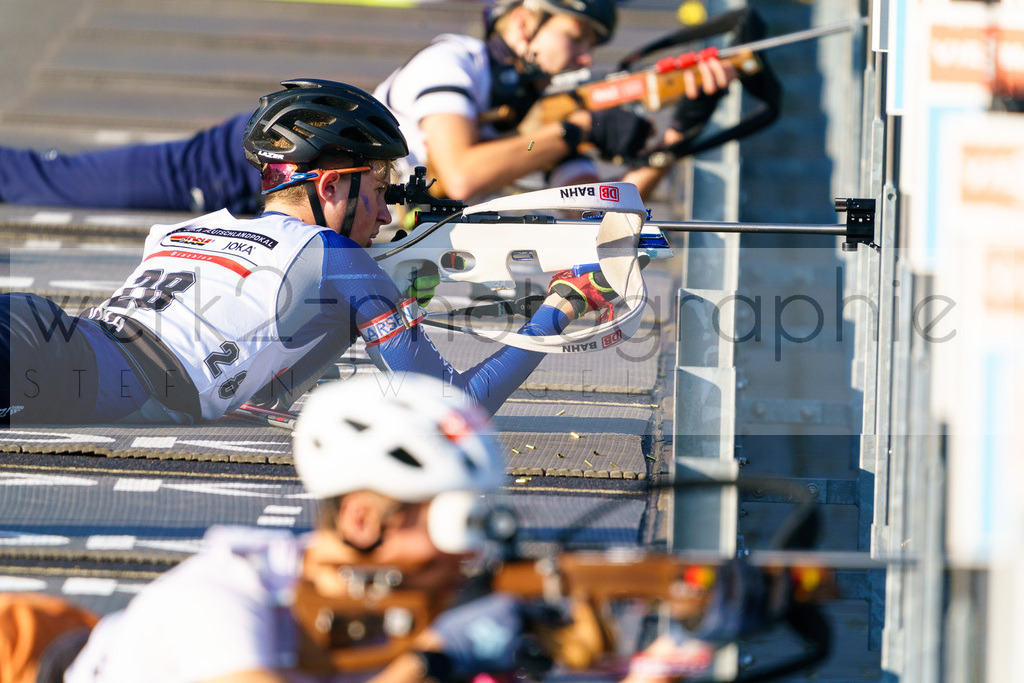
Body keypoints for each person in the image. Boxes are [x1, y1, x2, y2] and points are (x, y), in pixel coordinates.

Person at [0, 79, 619, 425]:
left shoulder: (190, 228)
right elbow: (455, 409)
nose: (384, 214)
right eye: (378, 193)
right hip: (54, 364)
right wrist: (562, 304)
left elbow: (264, 384)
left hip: (46, 342)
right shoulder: (335, 258)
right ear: (328, 186)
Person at [0, 0, 734, 213]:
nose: (584, 60)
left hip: (329, 206)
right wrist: (579, 124)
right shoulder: (456, 62)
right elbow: (464, 170)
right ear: (522, 21)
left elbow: (601, 209)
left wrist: (679, 133)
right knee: (56, 179)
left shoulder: (532, 113)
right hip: (254, 164)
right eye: (579, 39)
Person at [61, 373, 554, 682]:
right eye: (450, 522)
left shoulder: (398, 606)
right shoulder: (221, 593)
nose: (467, 551)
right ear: (362, 520)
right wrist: (430, 662)